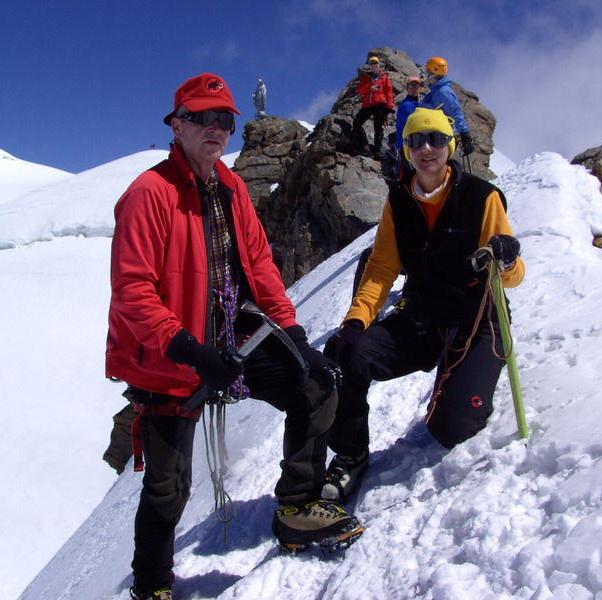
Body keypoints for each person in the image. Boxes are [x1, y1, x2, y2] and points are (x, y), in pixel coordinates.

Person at [106, 73, 363, 600]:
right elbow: (133, 291)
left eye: (223, 119)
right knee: (167, 488)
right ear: (176, 126)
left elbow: (261, 266)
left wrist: (295, 337)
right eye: (201, 117)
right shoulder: (149, 194)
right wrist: (192, 352)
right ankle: (151, 587)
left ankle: (297, 507)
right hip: (172, 356)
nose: (215, 128)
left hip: (231, 339)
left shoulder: (232, 188)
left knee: (315, 386)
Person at [321, 108, 524, 503]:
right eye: (416, 140)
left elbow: (512, 277)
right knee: (347, 354)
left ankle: (458, 383)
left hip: (477, 321)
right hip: (423, 317)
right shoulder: (399, 201)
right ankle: (350, 455)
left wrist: (507, 259)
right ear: (406, 149)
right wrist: (355, 322)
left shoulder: (482, 197)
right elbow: (381, 269)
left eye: (435, 139)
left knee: (453, 428)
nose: (426, 148)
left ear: (450, 145)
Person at [420, 57, 475, 157]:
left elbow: (455, 113)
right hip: (433, 136)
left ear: (434, 73)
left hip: (441, 138)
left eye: (428, 72)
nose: (426, 75)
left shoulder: (443, 92)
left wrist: (465, 135)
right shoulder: (434, 92)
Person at [351, 55, 394, 159]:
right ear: (369, 66)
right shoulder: (366, 78)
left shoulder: (384, 77)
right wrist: (369, 88)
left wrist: (389, 106)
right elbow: (360, 90)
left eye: (376, 63)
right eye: (372, 63)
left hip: (380, 104)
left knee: (378, 128)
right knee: (357, 123)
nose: (374, 65)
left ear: (379, 65)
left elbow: (388, 92)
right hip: (368, 105)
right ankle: (365, 147)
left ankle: (378, 151)